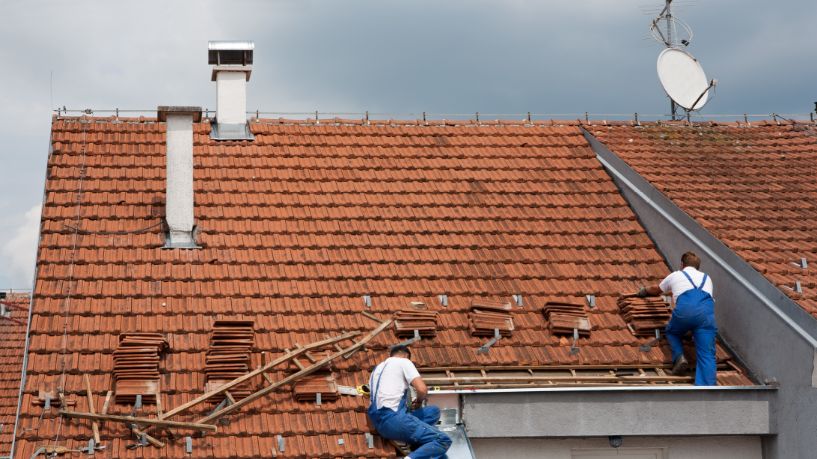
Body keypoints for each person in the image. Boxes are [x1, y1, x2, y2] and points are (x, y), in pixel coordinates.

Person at [637, 251, 718, 386]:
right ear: (697, 267)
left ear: (682, 264)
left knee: (672, 331)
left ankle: (679, 357)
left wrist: (644, 291)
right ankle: (707, 390)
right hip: (706, 316)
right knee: (707, 354)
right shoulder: (707, 278)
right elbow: (700, 304)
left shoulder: (676, 275)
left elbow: (657, 289)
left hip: (685, 312)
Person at [367, 345, 451, 459]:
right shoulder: (404, 362)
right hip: (395, 420)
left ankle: (419, 443)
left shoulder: (376, 369)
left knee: (433, 411)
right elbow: (422, 389)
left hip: (379, 423)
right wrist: (419, 402)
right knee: (443, 440)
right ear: (406, 356)